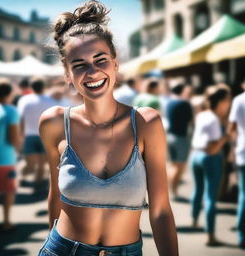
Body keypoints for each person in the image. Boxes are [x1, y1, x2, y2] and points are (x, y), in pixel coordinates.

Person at [38, 1, 178, 255]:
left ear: (115, 63)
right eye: (79, 65)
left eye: (100, 60)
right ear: (68, 74)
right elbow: (55, 198)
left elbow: (160, 211)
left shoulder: (146, 123)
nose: (92, 72)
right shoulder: (54, 123)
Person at [190, 85, 231, 246]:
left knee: (198, 190)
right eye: (227, 100)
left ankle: (194, 220)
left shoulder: (202, 114)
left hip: (196, 156)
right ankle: (210, 235)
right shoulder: (214, 119)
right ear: (220, 102)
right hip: (211, 158)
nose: (228, 104)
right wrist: (226, 137)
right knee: (210, 197)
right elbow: (212, 147)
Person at [0, 78, 21, 231]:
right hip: (5, 159)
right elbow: (13, 137)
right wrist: (19, 149)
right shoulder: (11, 110)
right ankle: (7, 222)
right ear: (10, 93)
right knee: (8, 191)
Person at [17, 76, 55, 183]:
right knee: (42, 164)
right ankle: (37, 186)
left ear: (31, 87)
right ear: (44, 87)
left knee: (30, 164)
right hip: (44, 135)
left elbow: (21, 119)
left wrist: (21, 136)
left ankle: (21, 179)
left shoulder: (24, 100)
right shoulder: (50, 100)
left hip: (28, 135)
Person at [165, 83, 193, 198]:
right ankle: (174, 192)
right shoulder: (184, 103)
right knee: (179, 166)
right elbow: (191, 121)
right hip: (181, 137)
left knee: (173, 165)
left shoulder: (169, 102)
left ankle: (169, 190)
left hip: (170, 136)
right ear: (182, 90)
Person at [228, 79, 245, 249]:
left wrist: (232, 151)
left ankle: (241, 234)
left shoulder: (238, 100)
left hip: (242, 152)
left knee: (243, 195)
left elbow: (231, 128)